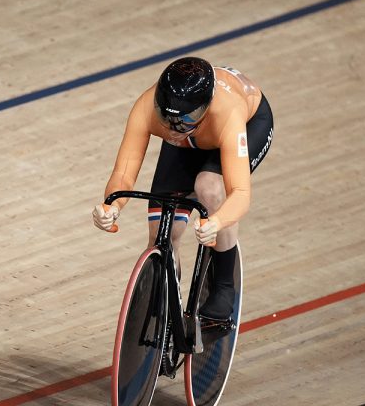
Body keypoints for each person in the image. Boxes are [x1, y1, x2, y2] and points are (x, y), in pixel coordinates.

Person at [92, 57, 273, 319]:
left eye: (189, 117)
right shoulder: (151, 110)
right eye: (167, 117)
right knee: (161, 233)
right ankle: (168, 311)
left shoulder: (228, 114)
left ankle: (223, 287)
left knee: (209, 188)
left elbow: (241, 194)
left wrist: (217, 220)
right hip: (191, 140)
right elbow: (123, 173)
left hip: (248, 123)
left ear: (206, 107)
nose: (175, 126)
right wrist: (112, 206)